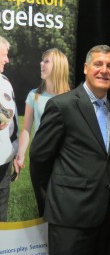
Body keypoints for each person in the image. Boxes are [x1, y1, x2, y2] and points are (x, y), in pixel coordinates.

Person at [29, 45, 110, 255]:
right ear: (85, 68)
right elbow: (39, 157)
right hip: (70, 216)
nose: (104, 70)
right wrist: (57, 194)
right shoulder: (62, 105)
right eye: (98, 64)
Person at [16, 48, 71, 217]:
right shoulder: (35, 95)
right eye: (42, 60)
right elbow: (26, 129)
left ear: (59, 66)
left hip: (65, 162)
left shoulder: (72, 98)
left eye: (46, 61)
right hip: (40, 161)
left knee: (63, 210)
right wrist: (20, 155)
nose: (41, 64)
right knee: (43, 209)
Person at [0, 35, 19, 222]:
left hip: (3, 160)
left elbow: (13, 125)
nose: (7, 59)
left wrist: (14, 153)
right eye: (4, 55)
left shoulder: (5, 83)